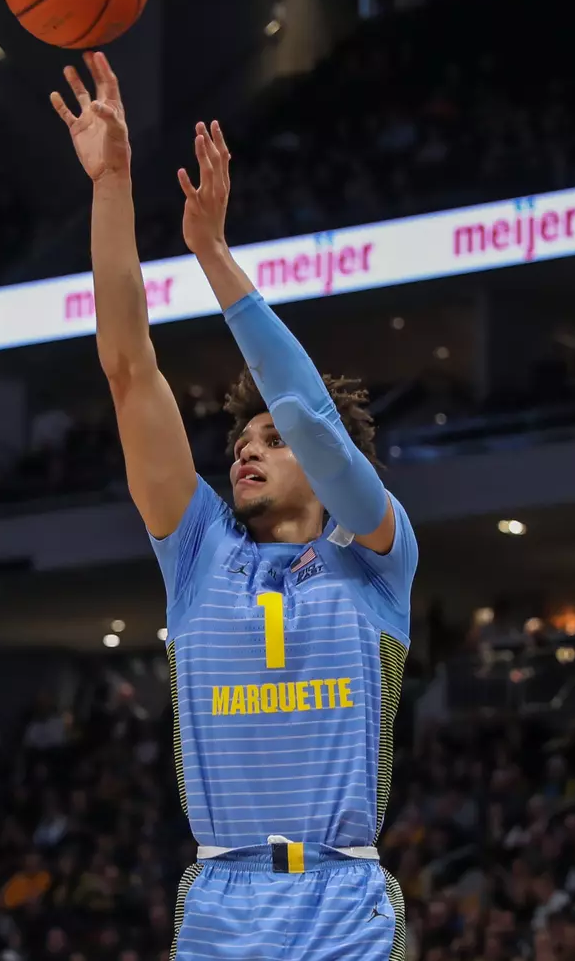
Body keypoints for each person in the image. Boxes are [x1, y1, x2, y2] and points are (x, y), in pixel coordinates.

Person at [51, 50, 414, 959]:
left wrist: (213, 257)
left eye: (269, 444)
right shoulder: (200, 551)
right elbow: (129, 367)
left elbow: (311, 418)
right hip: (222, 898)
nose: (249, 450)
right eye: (240, 445)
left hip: (344, 899)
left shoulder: (379, 553)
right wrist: (112, 185)